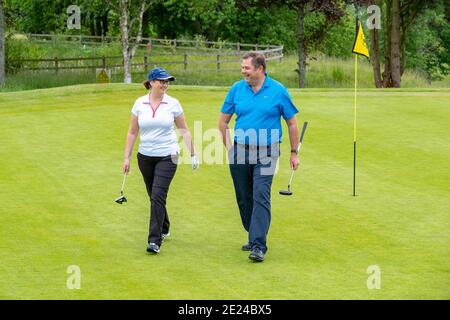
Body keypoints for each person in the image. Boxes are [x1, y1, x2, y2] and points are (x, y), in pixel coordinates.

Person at [218, 52, 300, 262]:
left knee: (261, 194)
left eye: (247, 68)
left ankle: (258, 244)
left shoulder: (278, 91)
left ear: (260, 68)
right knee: (244, 198)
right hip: (240, 150)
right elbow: (223, 122)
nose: (243, 71)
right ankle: (253, 232)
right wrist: (230, 149)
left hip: (267, 150)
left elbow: (291, 123)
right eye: (242, 68)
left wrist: (293, 152)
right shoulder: (237, 89)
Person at [122, 67, 199, 254]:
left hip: (168, 155)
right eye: (162, 81)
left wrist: (193, 153)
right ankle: (164, 225)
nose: (165, 84)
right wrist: (127, 157)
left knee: (157, 195)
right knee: (154, 195)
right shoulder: (139, 103)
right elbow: (132, 132)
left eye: (167, 81)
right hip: (145, 156)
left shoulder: (173, 103)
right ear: (151, 83)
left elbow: (184, 130)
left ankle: (154, 241)